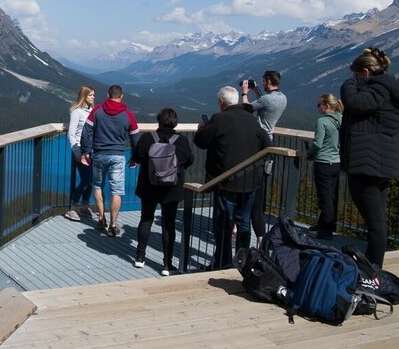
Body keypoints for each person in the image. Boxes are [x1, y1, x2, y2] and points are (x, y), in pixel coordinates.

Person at [340, 47, 399, 267]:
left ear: (365, 73)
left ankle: (374, 271)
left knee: (375, 222)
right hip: (384, 163)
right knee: (377, 218)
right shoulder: (394, 89)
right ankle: (372, 265)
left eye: (356, 74)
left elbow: (354, 102)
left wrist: (350, 83)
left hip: (367, 164)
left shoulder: (376, 92)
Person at [194, 86, 271, 270]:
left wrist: (201, 130)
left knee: (224, 224)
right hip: (250, 182)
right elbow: (267, 145)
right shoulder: (251, 120)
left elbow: (201, 142)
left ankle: (222, 261)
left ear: (221, 102)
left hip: (226, 181)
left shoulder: (220, 119)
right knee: (243, 223)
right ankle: (243, 262)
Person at [132, 108, 194, 276]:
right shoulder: (180, 141)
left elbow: (137, 157)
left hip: (149, 186)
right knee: (169, 224)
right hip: (171, 188)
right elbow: (189, 160)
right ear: (175, 122)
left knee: (146, 219)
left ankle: (139, 257)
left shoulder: (147, 138)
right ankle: (167, 264)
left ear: (158, 121)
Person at [80, 84, 140, 237]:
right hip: (118, 156)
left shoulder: (96, 111)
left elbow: (86, 132)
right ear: (122, 96)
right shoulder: (128, 115)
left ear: (108, 95)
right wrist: (134, 157)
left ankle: (101, 218)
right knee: (117, 190)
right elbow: (135, 139)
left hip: (99, 154)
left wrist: (85, 152)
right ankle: (113, 225)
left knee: (98, 185)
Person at [241, 70, 287, 242]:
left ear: (268, 81)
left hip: (257, 143)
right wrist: (256, 90)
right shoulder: (282, 98)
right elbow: (265, 104)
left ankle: (244, 228)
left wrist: (245, 93)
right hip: (269, 142)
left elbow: (247, 109)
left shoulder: (266, 99)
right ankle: (261, 238)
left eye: (263, 81)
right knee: (260, 193)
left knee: (250, 191)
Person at [306, 93, 343, 239]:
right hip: (336, 162)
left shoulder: (323, 121)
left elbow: (317, 143)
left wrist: (309, 153)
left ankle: (325, 230)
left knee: (324, 197)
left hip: (323, 163)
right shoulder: (341, 120)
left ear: (326, 106)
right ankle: (327, 224)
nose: (318, 107)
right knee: (332, 195)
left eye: (319, 105)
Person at [65, 86, 96, 221]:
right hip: (80, 150)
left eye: (93, 95)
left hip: (91, 150)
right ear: (84, 96)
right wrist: (77, 152)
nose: (93, 97)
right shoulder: (77, 112)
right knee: (86, 180)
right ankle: (72, 208)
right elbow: (71, 133)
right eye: (90, 95)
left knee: (91, 180)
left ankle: (84, 207)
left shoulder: (93, 111)